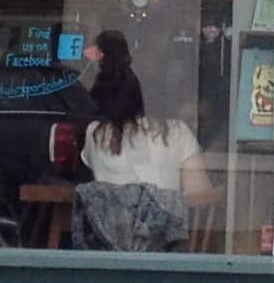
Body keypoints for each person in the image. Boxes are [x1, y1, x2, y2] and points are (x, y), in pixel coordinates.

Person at [72, 31, 213, 252]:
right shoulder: (177, 133)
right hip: (165, 249)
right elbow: (199, 194)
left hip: (106, 248)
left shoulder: (94, 134)